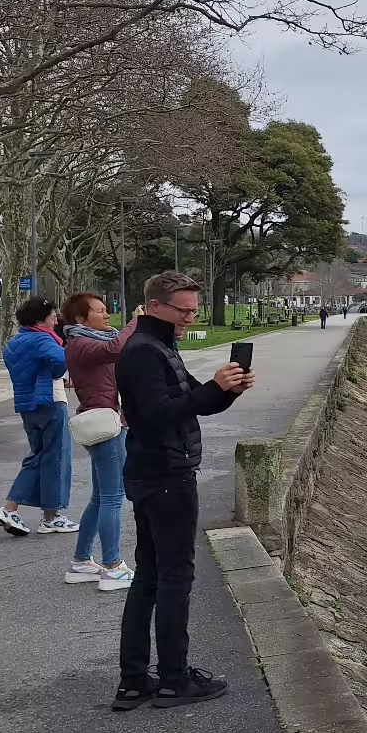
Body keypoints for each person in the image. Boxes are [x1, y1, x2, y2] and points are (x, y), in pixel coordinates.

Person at [113, 271, 255, 710]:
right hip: (165, 475)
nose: (191, 318)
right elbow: (157, 416)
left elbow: (195, 402)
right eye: (184, 310)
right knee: (174, 578)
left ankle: (136, 681)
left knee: (152, 577)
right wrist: (212, 388)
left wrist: (227, 391)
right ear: (155, 306)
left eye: (194, 309)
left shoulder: (161, 347)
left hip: (158, 472)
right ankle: (173, 678)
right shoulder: (142, 351)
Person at [60, 293, 142, 591]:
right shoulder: (82, 343)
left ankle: (82, 562)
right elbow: (115, 348)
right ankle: (112, 566)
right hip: (105, 425)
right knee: (112, 497)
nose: (107, 316)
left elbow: (116, 348)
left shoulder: (86, 340)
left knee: (100, 497)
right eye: (100, 311)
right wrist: (136, 321)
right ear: (81, 319)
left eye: (107, 310)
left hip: (105, 420)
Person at [0, 297, 77, 537]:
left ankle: (13, 509)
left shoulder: (15, 342)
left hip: (28, 406)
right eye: (52, 316)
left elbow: (32, 370)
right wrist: (59, 371)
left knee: (39, 457)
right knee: (57, 458)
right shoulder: (42, 339)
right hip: (50, 403)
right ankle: (50, 516)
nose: (56, 320)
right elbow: (60, 361)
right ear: (41, 319)